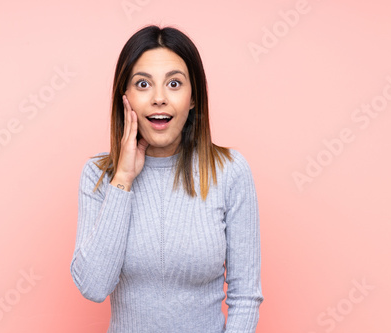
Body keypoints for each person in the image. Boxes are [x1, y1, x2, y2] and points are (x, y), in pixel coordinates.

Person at [70, 24, 263, 333]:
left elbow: (245, 297)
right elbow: (93, 286)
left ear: (193, 98)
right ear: (125, 98)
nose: (159, 98)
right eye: (143, 84)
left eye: (174, 83)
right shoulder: (98, 175)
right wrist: (122, 179)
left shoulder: (230, 171)